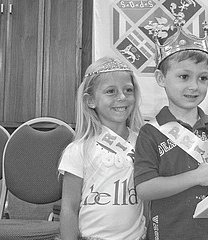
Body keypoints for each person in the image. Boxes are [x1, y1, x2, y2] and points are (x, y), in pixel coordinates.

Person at [134, 16, 208, 240]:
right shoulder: (151, 133)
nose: (194, 86)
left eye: (203, 78)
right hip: (168, 232)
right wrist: (196, 177)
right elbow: (145, 189)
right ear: (161, 78)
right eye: (184, 76)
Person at [58, 57, 147, 240]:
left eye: (128, 90)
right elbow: (69, 208)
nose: (122, 97)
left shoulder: (144, 144)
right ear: (91, 100)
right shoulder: (78, 149)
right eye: (111, 91)